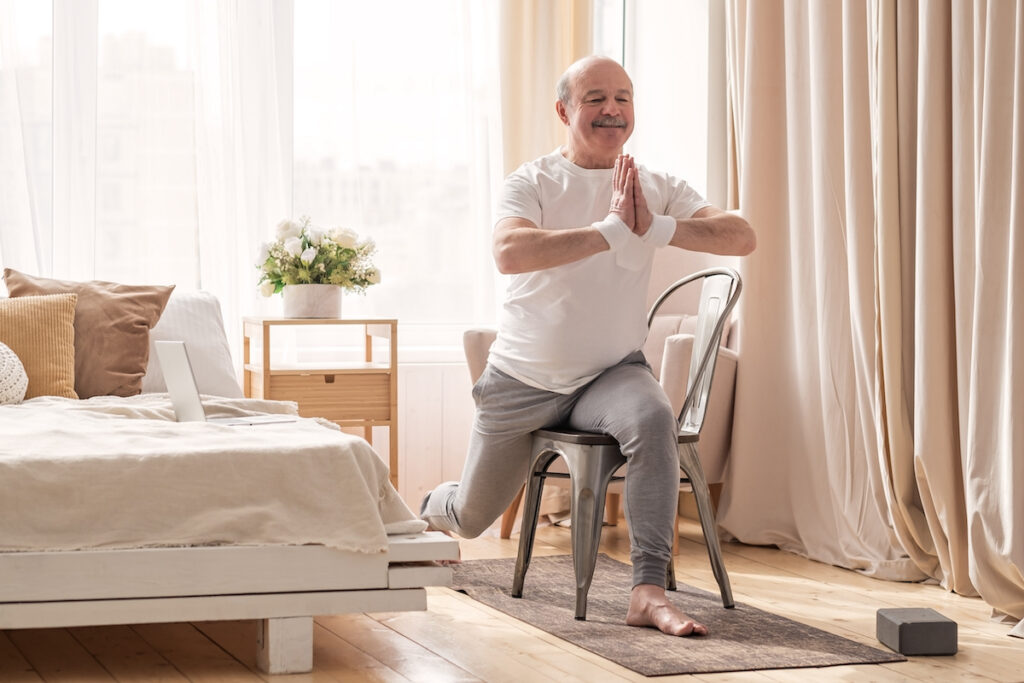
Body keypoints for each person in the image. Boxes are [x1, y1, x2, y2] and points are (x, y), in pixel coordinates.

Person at [420, 55, 756, 636]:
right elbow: (510, 253)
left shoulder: (655, 186)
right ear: (564, 111)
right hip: (522, 378)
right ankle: (426, 507)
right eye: (595, 97)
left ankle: (647, 591)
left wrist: (659, 228)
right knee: (472, 516)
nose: (612, 110)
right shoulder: (533, 181)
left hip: (609, 373)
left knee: (654, 418)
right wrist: (609, 233)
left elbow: (741, 234)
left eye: (623, 98)